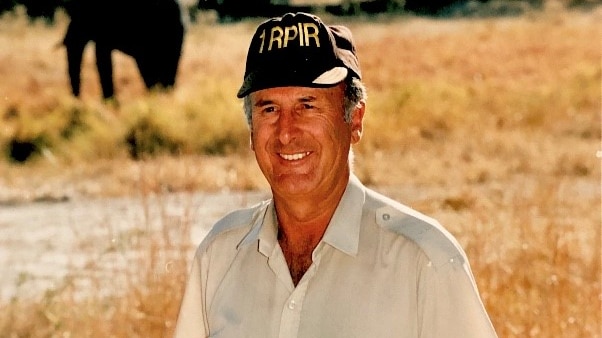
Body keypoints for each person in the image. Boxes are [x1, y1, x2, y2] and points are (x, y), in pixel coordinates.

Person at [174, 12, 497, 338]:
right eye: (269, 109)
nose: (286, 133)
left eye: (308, 105)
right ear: (250, 129)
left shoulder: (425, 262)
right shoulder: (219, 255)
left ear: (355, 120)